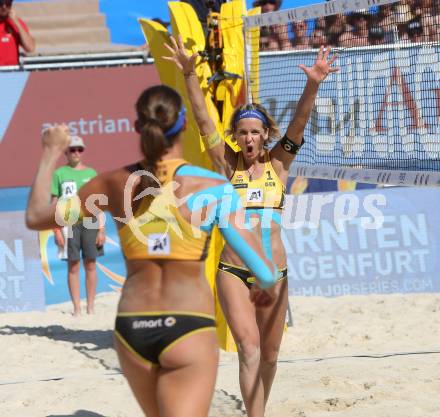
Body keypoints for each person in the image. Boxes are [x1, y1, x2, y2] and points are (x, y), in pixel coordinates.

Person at [26, 84, 279, 417]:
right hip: (187, 326)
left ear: (138, 127)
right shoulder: (212, 187)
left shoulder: (113, 182)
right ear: (184, 125)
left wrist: (49, 153)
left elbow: (35, 217)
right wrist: (264, 284)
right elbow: (263, 269)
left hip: (133, 329)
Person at [165, 35, 338, 417]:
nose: (248, 138)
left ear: (265, 134)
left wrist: (313, 82)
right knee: (249, 349)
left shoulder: (279, 164)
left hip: (274, 274)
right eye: (241, 132)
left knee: (271, 357)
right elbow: (202, 117)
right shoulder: (227, 166)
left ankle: (255, 408)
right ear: (236, 136)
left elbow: (299, 122)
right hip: (233, 271)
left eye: (254, 131)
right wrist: (191, 74)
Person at [51, 135, 105, 316]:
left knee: (91, 264)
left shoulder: (91, 173)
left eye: (79, 149)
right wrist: (56, 230)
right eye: (72, 149)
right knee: (73, 266)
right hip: (68, 224)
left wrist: (102, 229)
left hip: (90, 222)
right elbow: (54, 203)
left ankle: (90, 307)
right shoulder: (59, 174)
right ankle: (76, 308)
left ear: (83, 152)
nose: (76, 153)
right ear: (65, 152)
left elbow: (97, 203)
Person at [0, 0, 35, 66]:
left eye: (8, 3)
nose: (4, 7)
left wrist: (16, 22)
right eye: (0, 3)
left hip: (12, 72)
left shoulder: (16, 22)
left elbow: (30, 48)